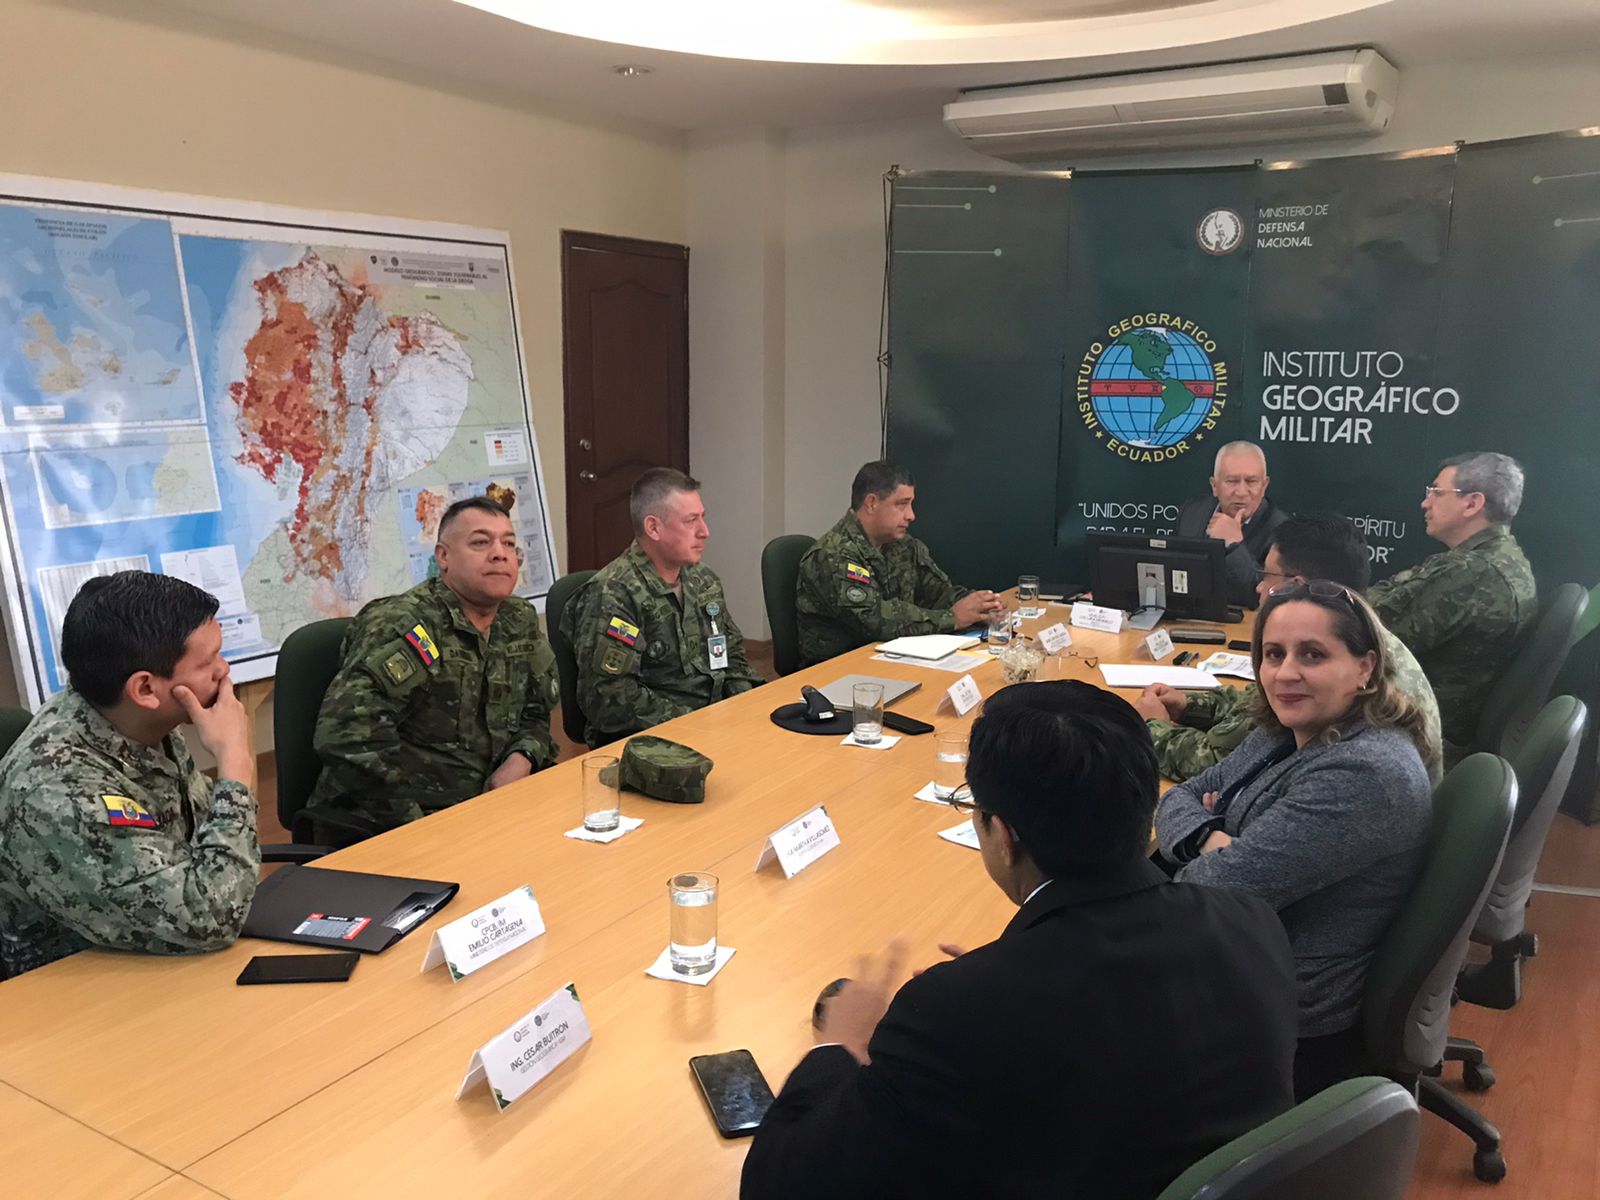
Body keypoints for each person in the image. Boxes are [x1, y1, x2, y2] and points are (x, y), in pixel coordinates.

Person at [743, 682, 1299, 1199]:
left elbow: (779, 1186)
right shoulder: (1250, 922)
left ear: (1003, 835)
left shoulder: (955, 1014)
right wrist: (998, 982)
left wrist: (842, 1045)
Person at [1155, 583, 1433, 1101]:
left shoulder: (1364, 773)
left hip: (1279, 1015)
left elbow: (1211, 891)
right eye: (1273, 654)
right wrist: (1213, 836)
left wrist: (1214, 846)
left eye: (1312, 655)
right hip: (1236, 952)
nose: (1285, 674)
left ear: (1365, 667)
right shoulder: (1288, 728)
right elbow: (1179, 797)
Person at [0, 572, 260, 978]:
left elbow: (207, 864)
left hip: (167, 956)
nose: (224, 670)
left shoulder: (139, 723)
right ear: (145, 690)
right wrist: (235, 762)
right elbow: (208, 917)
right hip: (81, 985)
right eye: (207, 662)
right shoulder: (58, 789)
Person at [310, 496, 559, 834]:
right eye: (481, 542)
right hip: (393, 824)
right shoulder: (404, 624)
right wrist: (416, 828)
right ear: (443, 557)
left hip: (493, 812)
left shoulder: (518, 618)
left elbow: (536, 710)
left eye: (509, 543)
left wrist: (522, 758)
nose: (500, 554)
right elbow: (347, 738)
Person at [1137, 514, 1443, 782]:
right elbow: (1255, 704)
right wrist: (1189, 705)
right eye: (1275, 655)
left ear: (1294, 586)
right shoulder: (1356, 636)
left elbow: (1213, 762)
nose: (1258, 587)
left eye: (1266, 576)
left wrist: (1151, 725)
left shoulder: (1343, 664)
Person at [562, 468, 763, 746]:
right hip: (651, 740)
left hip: (713, 725)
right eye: (691, 521)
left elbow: (732, 655)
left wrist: (746, 707)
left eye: (702, 517)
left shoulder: (703, 579)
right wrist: (700, 724)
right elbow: (610, 699)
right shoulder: (613, 593)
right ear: (653, 528)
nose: (705, 532)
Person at [1369, 452, 1538, 764]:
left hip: (1415, 735)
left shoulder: (1472, 573)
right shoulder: (1499, 557)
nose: (1425, 503)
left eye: (1436, 492)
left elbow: (1367, 631)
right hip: (1429, 724)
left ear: (1472, 503)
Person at [796, 461, 1003, 667]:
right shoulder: (831, 555)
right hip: (839, 668)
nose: (911, 515)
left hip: (895, 658)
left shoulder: (902, 545)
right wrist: (953, 618)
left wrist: (980, 607)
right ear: (871, 503)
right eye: (901, 504)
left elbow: (938, 593)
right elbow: (875, 620)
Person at [1176, 441, 1289, 607]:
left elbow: (1260, 597)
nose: (1241, 492)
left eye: (1251, 481)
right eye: (1232, 481)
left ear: (1264, 486)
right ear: (1215, 486)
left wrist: (1234, 545)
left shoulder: (1283, 531)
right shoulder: (1192, 513)